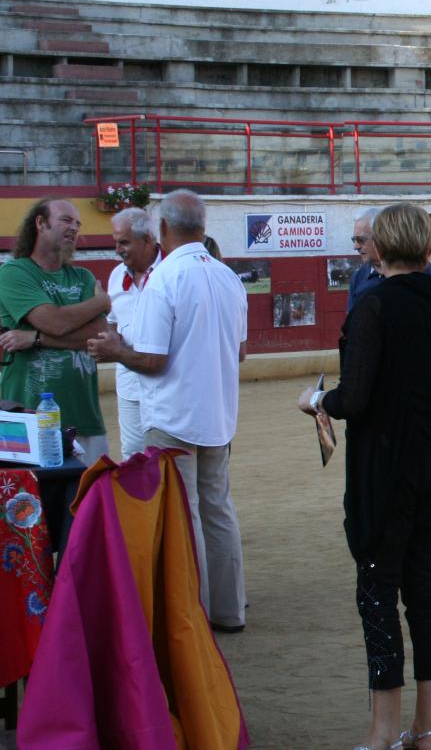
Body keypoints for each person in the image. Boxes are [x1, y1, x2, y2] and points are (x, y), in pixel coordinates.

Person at [298, 203, 431, 750]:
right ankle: (425, 727)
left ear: (380, 247)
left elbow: (354, 398)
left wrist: (317, 401)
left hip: (384, 466)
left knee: (377, 589)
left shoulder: (373, 308)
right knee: (423, 589)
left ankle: (382, 731)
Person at [87, 189, 249, 634]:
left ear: (161, 229)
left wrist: (116, 351)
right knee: (218, 509)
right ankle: (229, 610)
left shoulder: (165, 280)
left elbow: (152, 360)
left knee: (184, 514)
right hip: (218, 413)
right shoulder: (228, 276)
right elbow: (240, 352)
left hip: (174, 415)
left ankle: (191, 615)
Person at [0, 198, 111, 463]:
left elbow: (99, 334)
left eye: (78, 224)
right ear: (40, 223)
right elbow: (55, 322)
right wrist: (100, 302)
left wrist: (35, 338)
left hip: (86, 418)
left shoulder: (83, 277)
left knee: (93, 490)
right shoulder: (13, 273)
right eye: (66, 220)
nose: (75, 228)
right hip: (28, 419)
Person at [105, 207, 162, 457]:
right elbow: (111, 321)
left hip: (167, 383)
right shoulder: (116, 276)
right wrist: (112, 339)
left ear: (147, 239)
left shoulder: (172, 272)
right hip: (130, 383)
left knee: (169, 455)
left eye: (124, 242)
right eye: (116, 242)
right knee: (132, 454)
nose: (117, 249)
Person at [348, 207, 384, 312]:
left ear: (380, 237)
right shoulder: (358, 277)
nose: (355, 247)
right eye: (354, 240)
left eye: (360, 240)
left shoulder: (408, 271)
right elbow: (351, 318)